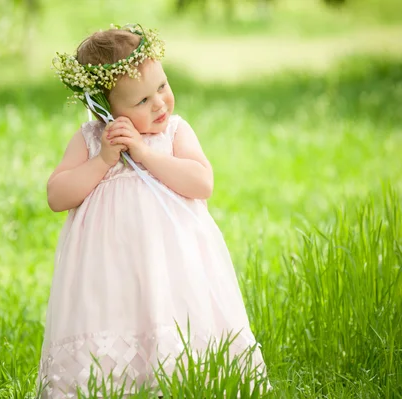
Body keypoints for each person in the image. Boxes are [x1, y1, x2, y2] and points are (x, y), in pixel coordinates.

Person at [38, 24, 268, 398]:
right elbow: (56, 195)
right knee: (116, 316)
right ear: (104, 109)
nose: (159, 103)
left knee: (172, 316)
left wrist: (144, 154)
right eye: (142, 101)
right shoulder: (93, 140)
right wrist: (102, 161)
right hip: (109, 271)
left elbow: (201, 182)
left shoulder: (174, 132)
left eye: (161, 87)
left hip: (171, 265)